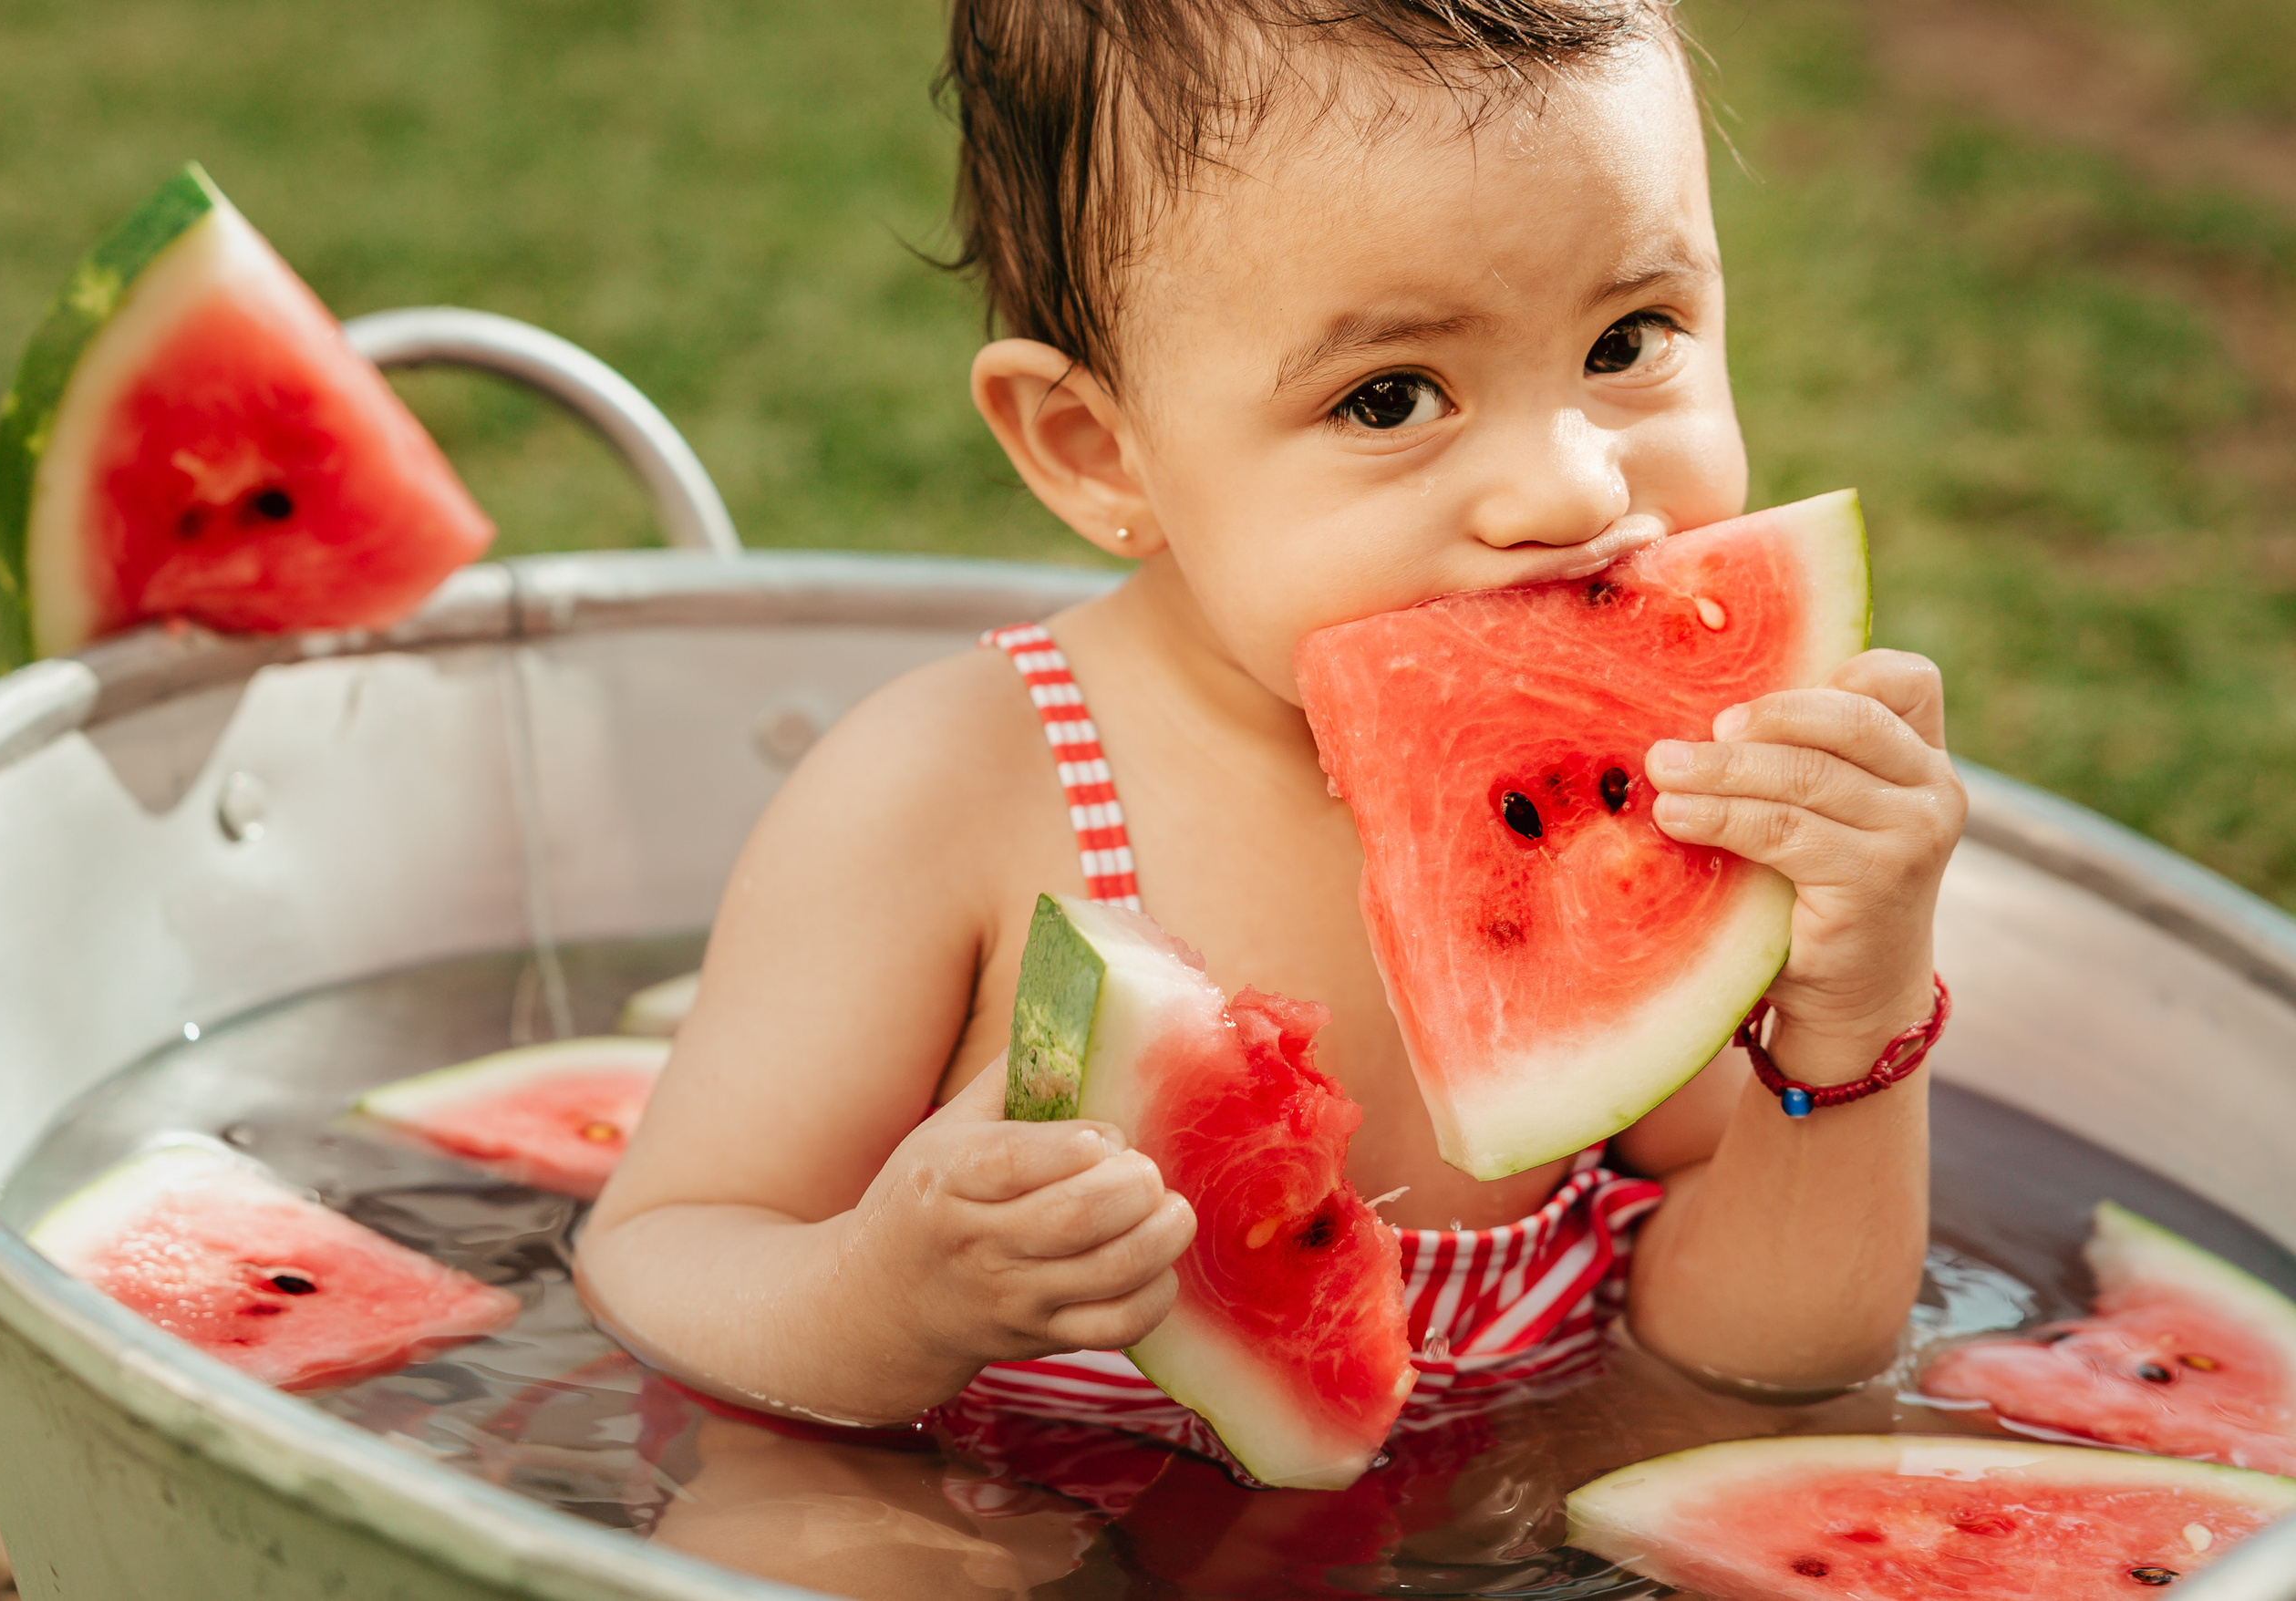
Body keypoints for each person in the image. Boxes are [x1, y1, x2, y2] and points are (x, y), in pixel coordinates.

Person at [579, 0, 1966, 1588]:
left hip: (1496, 1528)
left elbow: (1755, 1365)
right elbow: (664, 1253)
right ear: (1097, 449)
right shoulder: (955, 791)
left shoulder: (1654, 796)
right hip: (978, 1498)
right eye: (1390, 398)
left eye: (1628, 341)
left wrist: (1857, 1019)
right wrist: (888, 1297)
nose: (1573, 491)